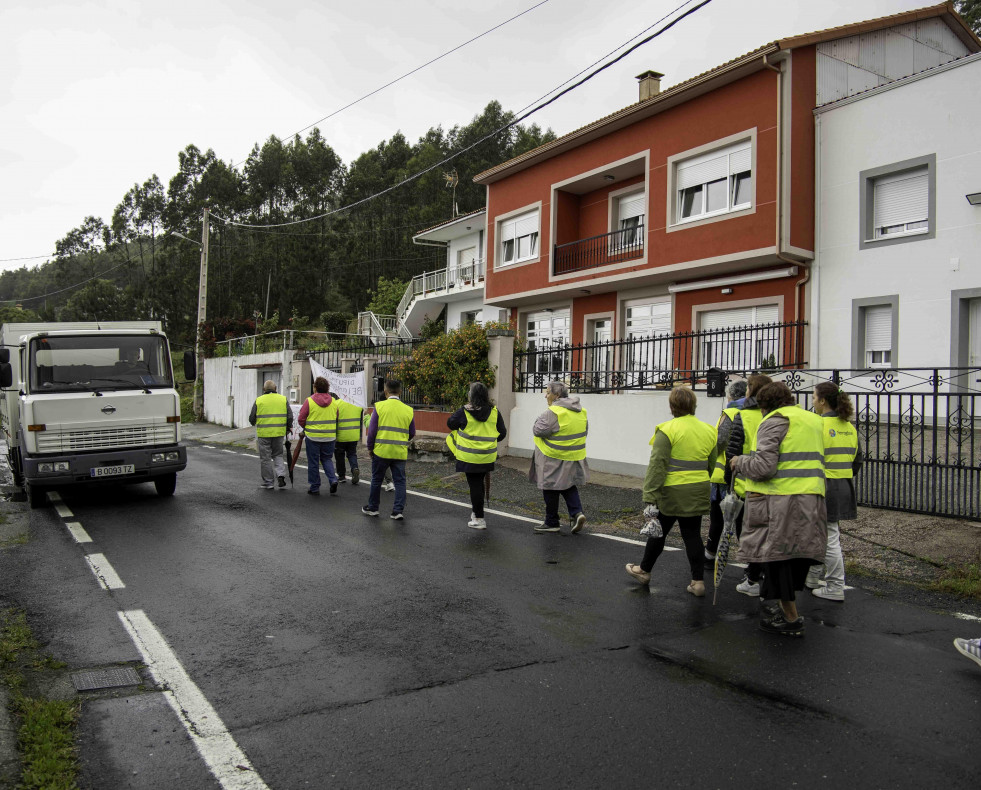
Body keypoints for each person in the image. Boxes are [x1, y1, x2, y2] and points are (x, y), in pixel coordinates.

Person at [730, 382, 828, 637]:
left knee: (776, 558)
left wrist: (739, 462)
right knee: (794, 557)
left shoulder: (775, 420)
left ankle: (789, 618)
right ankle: (787, 612)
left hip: (782, 500)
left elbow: (764, 467)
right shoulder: (813, 420)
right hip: (812, 498)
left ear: (765, 405)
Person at [625, 388, 717, 597]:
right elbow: (711, 465)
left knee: (659, 532)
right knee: (693, 535)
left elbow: (658, 465)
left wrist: (649, 494)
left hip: (672, 492)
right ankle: (698, 582)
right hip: (698, 489)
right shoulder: (709, 430)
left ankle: (644, 570)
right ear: (694, 405)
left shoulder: (667, 430)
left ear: (672, 406)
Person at [805, 382, 863, 601]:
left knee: (828, 538)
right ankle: (812, 577)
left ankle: (835, 585)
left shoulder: (817, 425)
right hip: (843, 485)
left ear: (822, 401)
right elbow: (857, 461)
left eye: (813, 397)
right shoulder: (849, 427)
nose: (812, 401)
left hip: (823, 486)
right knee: (821, 534)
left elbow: (808, 458)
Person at [726, 373, 772, 596]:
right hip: (774, 487)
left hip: (746, 485)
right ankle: (762, 570)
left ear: (751, 391)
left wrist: (728, 483)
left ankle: (752, 574)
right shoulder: (778, 417)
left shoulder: (742, 416)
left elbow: (732, 452)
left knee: (746, 532)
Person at [529, 381, 588, 535]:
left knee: (549, 487)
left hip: (552, 456)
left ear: (557, 395)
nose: (545, 395)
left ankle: (551, 522)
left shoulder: (553, 412)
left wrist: (537, 419)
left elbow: (538, 430)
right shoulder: (581, 411)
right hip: (572, 455)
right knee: (568, 485)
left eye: (548, 392)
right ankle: (577, 513)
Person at [446, 382, 507, 529]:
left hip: (469, 457)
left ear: (471, 395)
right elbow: (502, 433)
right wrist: (490, 441)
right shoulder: (494, 412)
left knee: (475, 486)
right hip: (487, 456)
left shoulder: (464, 411)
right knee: (478, 484)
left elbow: (450, 424)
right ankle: (476, 513)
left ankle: (479, 519)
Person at [705, 380, 747, 563]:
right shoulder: (755, 414)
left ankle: (709, 556)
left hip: (724, 477)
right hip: (747, 477)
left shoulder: (729, 413)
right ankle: (751, 566)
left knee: (718, 520)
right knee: (743, 523)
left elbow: (720, 443)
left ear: (731, 396)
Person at [363, 379, 415, 520]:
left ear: (386, 392)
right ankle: (397, 511)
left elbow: (372, 431)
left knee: (376, 479)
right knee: (400, 481)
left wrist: (370, 448)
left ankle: (373, 508)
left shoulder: (379, 407)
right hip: (399, 452)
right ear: (400, 392)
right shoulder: (408, 410)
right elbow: (412, 432)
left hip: (381, 451)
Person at [249, 380, 294, 490]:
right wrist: (288, 426)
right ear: (276, 388)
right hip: (279, 433)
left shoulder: (259, 400)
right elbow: (289, 415)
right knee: (278, 454)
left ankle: (268, 482)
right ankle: (281, 475)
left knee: (266, 458)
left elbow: (252, 418)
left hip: (264, 434)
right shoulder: (283, 399)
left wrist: (255, 423)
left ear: (264, 389)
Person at [298, 377, 339, 496]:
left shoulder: (309, 401)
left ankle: (315, 487)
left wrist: (306, 427)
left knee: (313, 461)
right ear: (327, 388)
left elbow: (301, 418)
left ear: (315, 387)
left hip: (313, 437)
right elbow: (336, 417)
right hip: (330, 436)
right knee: (327, 459)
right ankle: (333, 480)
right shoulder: (334, 401)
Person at [333, 392, 364, 486]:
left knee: (339, 456)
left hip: (340, 435)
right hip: (354, 435)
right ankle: (354, 468)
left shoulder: (336, 404)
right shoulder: (357, 405)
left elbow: (334, 419)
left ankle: (342, 476)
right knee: (352, 454)